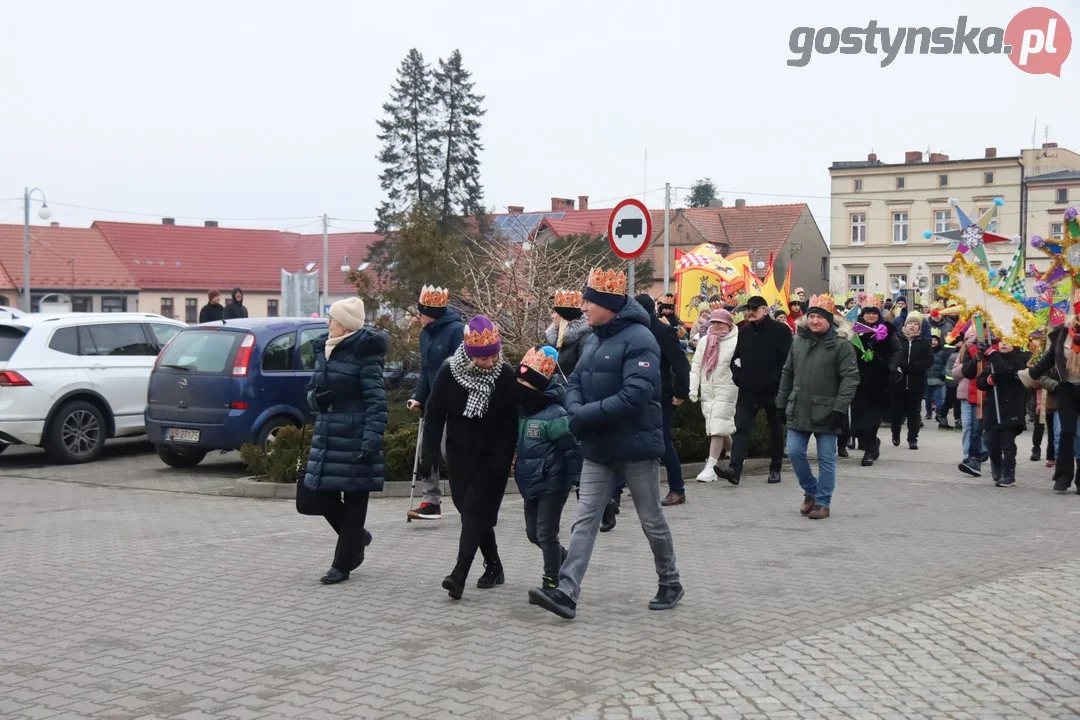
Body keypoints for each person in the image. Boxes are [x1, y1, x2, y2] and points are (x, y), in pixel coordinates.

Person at [529, 268, 682, 620]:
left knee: (651, 519)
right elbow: (577, 382)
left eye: (590, 302)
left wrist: (584, 415)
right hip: (598, 447)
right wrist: (576, 409)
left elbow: (636, 396)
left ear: (608, 306)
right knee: (584, 519)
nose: (583, 307)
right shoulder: (595, 338)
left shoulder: (641, 338)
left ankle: (670, 581)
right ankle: (567, 591)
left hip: (636, 446)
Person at [421, 315, 518, 598]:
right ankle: (495, 566)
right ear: (471, 353)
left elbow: (512, 422)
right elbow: (435, 415)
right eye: (485, 358)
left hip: (492, 456)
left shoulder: (504, 375)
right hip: (460, 454)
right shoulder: (449, 373)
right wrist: (429, 453)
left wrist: (508, 458)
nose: (491, 363)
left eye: (495, 355)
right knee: (471, 512)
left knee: (475, 511)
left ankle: (459, 573)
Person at [302, 297, 388, 585]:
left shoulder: (365, 354)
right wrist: (316, 399)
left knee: (354, 502)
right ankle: (357, 539)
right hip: (327, 434)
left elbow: (377, 403)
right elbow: (311, 390)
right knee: (320, 493)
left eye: (333, 318)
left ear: (347, 325)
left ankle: (342, 564)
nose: (329, 323)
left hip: (356, 435)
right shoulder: (325, 349)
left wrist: (371, 441)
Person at [777, 294, 859, 520]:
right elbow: (787, 373)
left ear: (829, 320)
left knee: (826, 458)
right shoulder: (799, 341)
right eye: (811, 316)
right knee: (794, 452)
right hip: (799, 406)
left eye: (819, 318)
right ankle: (810, 491)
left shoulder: (842, 345)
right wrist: (781, 403)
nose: (814, 321)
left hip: (828, 411)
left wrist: (840, 409)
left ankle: (823, 502)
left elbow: (850, 378)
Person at [513, 346, 582, 590]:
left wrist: (579, 482)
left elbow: (572, 450)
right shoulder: (520, 411)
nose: (519, 385)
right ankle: (560, 557)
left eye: (525, 381)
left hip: (552, 483)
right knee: (533, 534)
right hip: (529, 483)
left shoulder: (554, 415)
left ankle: (551, 579)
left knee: (546, 533)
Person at [714, 296, 792, 486]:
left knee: (775, 430)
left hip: (774, 391)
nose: (749, 312)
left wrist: (778, 381)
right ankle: (734, 470)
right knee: (741, 429)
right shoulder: (745, 332)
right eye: (747, 309)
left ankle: (775, 468)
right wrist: (738, 376)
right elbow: (736, 359)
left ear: (765, 310)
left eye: (754, 309)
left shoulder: (781, 331)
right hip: (749, 391)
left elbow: (789, 361)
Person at [407, 285, 465, 520]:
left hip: (453, 404)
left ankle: (469, 496)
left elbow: (463, 368)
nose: (418, 316)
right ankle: (431, 500)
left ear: (431, 312)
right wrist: (418, 397)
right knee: (425, 451)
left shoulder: (456, 331)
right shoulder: (425, 333)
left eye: (421, 312)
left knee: (448, 451)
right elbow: (426, 370)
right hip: (432, 406)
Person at [632, 294, 692, 507]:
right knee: (633, 441)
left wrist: (681, 393)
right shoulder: (632, 331)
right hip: (635, 394)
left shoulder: (663, 331)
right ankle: (631, 488)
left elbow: (681, 364)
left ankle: (677, 489)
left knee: (663, 443)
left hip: (661, 396)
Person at [1027, 306, 1080, 494]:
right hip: (1066, 389)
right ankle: (1063, 477)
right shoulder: (1062, 333)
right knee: (1066, 431)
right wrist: (1033, 372)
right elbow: (1050, 357)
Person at [688, 309, 739, 483]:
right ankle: (736, 455)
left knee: (717, 425)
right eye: (713, 322)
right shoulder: (704, 341)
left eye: (720, 323)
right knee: (717, 424)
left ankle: (711, 467)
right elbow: (696, 366)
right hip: (708, 387)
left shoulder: (736, 341)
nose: (716, 326)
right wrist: (693, 389)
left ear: (729, 324)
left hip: (727, 387)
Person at [848, 299, 897, 466]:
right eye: (867, 313)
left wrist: (891, 368)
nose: (871, 316)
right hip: (858, 381)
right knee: (857, 419)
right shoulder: (853, 330)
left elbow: (897, 350)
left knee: (872, 418)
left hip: (879, 381)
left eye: (874, 313)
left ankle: (869, 451)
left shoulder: (888, 329)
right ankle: (873, 443)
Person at [976, 339, 1028, 487]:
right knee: (990, 441)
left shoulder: (1020, 358)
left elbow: (1005, 370)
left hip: (1011, 407)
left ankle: (1009, 474)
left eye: (1008, 342)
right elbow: (980, 382)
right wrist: (987, 380)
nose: (1004, 344)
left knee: (1007, 444)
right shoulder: (993, 358)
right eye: (1001, 342)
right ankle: (996, 466)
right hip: (993, 408)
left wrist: (992, 354)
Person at [890, 312, 934, 450]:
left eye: (915, 324)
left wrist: (915, 367)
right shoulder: (896, 339)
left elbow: (929, 359)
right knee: (897, 411)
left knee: (914, 412)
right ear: (905, 325)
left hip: (917, 382)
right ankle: (895, 433)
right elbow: (892, 355)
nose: (912, 326)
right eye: (910, 323)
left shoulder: (924, 342)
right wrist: (902, 364)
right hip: (898, 382)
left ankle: (912, 438)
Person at [545, 290, 590, 377]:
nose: (552, 316)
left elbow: (582, 374)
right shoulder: (554, 338)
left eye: (555, 312)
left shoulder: (584, 339)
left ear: (564, 316)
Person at [925, 332, 947, 420]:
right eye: (931, 340)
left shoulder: (942, 352)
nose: (933, 342)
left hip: (938, 378)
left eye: (935, 340)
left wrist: (943, 374)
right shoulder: (925, 351)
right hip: (927, 377)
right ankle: (928, 413)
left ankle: (939, 412)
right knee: (927, 397)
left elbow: (945, 364)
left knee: (938, 396)